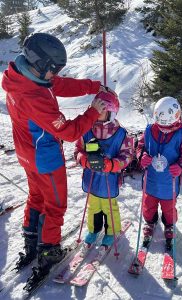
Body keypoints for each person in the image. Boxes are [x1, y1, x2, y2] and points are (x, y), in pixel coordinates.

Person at [1, 32, 116, 278]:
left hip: (26, 153)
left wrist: (94, 86)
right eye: (54, 70)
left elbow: (60, 85)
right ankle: (48, 252)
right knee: (55, 205)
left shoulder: (23, 77)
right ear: (41, 65)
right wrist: (93, 112)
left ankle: (32, 242)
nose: (56, 75)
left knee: (36, 197)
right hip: (45, 157)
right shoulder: (33, 97)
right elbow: (70, 132)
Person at [74, 91, 132, 248]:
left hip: (109, 179)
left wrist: (111, 165)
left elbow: (127, 156)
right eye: (96, 109)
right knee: (93, 205)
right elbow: (78, 150)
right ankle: (93, 229)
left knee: (109, 206)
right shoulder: (86, 129)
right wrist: (84, 160)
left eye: (102, 110)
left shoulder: (120, 134)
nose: (98, 113)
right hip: (92, 178)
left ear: (111, 113)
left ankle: (112, 231)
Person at [137, 96, 182, 250]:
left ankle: (169, 225)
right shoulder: (150, 130)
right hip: (151, 180)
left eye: (167, 126)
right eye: (160, 124)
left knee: (169, 207)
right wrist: (141, 156)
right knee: (148, 205)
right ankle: (150, 222)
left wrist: (181, 166)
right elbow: (140, 146)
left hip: (169, 182)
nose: (163, 129)